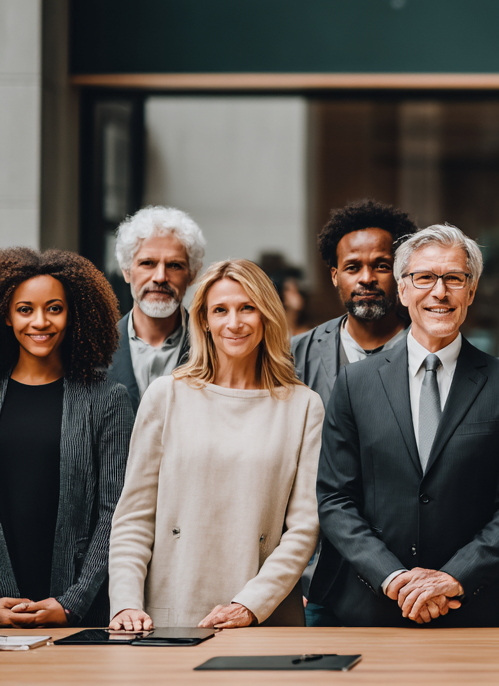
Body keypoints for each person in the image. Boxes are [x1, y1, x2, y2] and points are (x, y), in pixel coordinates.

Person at [312, 224, 499, 627]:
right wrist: (395, 578)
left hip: (471, 609)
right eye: (424, 278)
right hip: (370, 607)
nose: (440, 292)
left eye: (454, 278)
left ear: (471, 292)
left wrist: (453, 578)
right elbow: (335, 500)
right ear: (402, 290)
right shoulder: (355, 383)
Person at [109, 259, 323, 630]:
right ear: (204, 320)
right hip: (170, 607)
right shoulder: (167, 395)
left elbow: (304, 527)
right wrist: (125, 603)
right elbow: (134, 517)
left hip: (263, 614)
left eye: (247, 309)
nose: (234, 323)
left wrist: (251, 604)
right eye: (220, 310)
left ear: (267, 316)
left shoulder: (303, 406)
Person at [0, 248, 133, 628]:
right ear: (7, 316)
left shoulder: (107, 398)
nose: (40, 321)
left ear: (75, 314)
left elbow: (116, 511)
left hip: (77, 611)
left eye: (54, 308)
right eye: (25, 309)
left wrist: (72, 602)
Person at [291, 199, 418, 409]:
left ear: (401, 273)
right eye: (353, 267)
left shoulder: (428, 347)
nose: (367, 278)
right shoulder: (297, 355)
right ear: (335, 276)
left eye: (382, 265)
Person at [106, 206, 206, 414]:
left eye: (174, 265)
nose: (160, 277)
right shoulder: (95, 350)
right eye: (147, 263)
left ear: (193, 275)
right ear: (126, 271)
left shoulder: (214, 349)